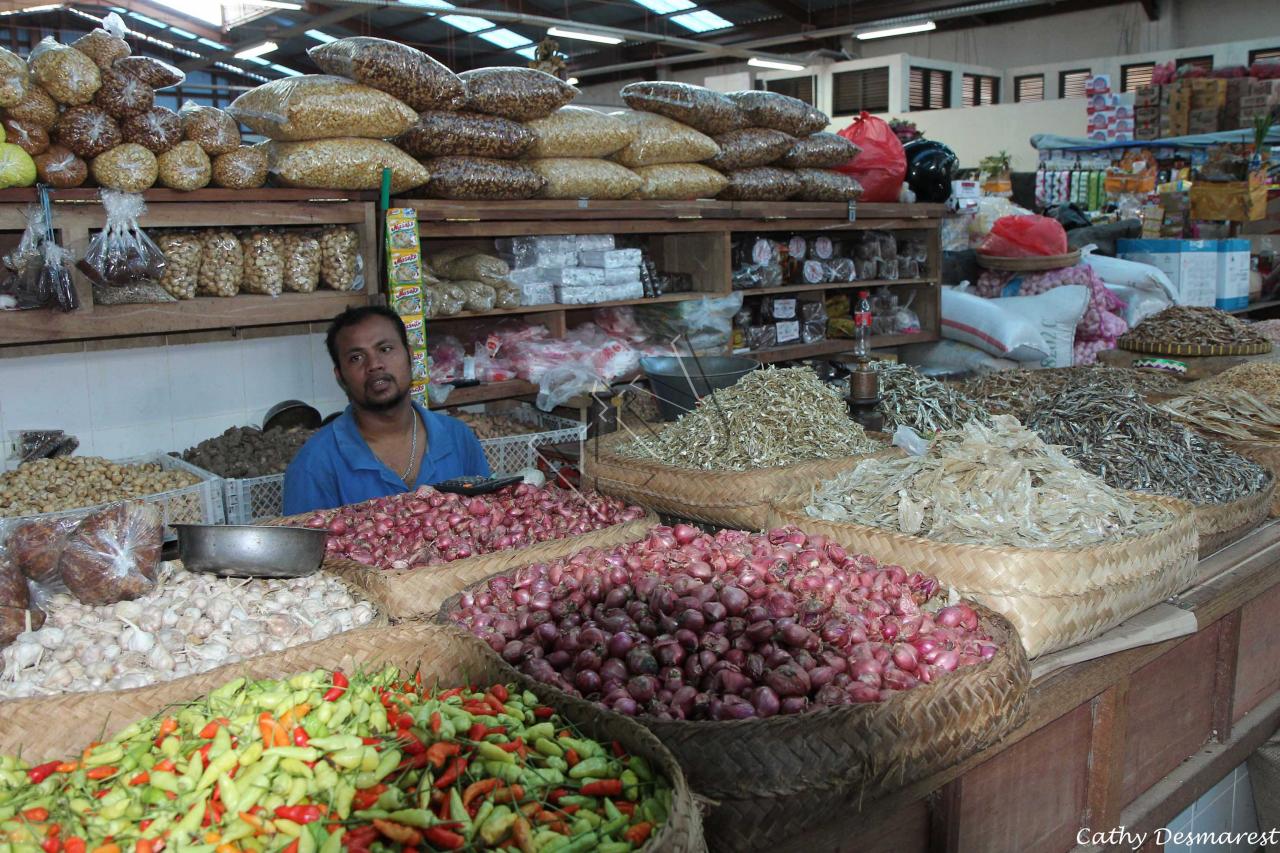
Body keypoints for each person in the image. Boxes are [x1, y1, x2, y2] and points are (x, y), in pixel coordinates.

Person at [283, 305, 490, 515]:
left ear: (410, 356)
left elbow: (487, 521)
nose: (374, 365)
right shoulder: (313, 466)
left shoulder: (458, 438)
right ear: (340, 376)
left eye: (385, 349)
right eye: (356, 357)